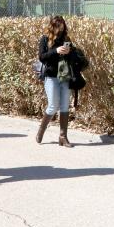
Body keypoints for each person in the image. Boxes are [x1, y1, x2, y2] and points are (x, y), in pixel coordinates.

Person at [36, 15, 76, 148]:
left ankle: (63, 137)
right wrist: (56, 51)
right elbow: (42, 57)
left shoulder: (66, 39)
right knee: (53, 105)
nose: (61, 29)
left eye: (63, 26)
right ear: (53, 27)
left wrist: (70, 51)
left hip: (64, 76)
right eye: (59, 27)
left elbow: (73, 58)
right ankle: (41, 130)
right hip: (51, 77)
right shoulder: (45, 39)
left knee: (65, 106)